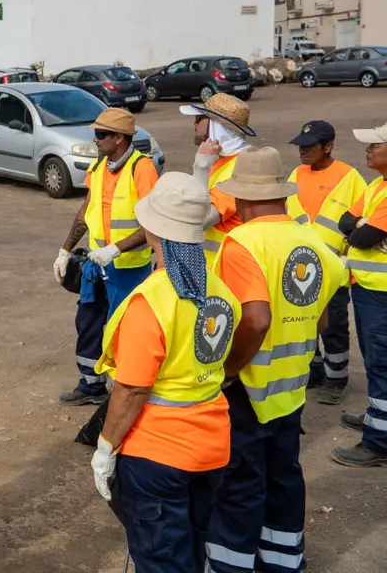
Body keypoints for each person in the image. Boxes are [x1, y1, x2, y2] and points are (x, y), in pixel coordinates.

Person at [90, 172, 241, 573]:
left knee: (161, 560)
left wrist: (106, 447)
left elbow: (133, 389)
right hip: (211, 447)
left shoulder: (152, 299)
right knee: (192, 548)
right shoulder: (220, 290)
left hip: (157, 455)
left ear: (151, 227)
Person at [205, 148, 344, 573]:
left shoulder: (242, 243)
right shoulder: (315, 244)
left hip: (249, 387)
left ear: (243, 200)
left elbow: (257, 319)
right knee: (284, 475)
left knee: (241, 482)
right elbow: (320, 319)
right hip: (292, 384)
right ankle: (285, 561)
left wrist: (229, 369)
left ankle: (232, 565)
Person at [54, 108, 159, 406]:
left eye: (100, 134)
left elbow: (152, 223)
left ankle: (126, 394)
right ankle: (91, 386)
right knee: (87, 323)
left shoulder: (142, 169)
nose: (95, 139)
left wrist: (116, 249)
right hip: (95, 267)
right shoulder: (99, 167)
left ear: (119, 138)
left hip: (128, 269)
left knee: (125, 333)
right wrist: (65, 250)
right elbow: (85, 211)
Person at [286, 120, 367, 404]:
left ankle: (336, 377)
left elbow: (360, 219)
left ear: (328, 146)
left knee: (333, 324)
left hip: (333, 269)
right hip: (300, 268)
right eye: (300, 146)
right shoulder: (297, 173)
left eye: (309, 147)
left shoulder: (349, 176)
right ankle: (314, 369)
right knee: (305, 323)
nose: (302, 151)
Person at [332, 122, 387, 467]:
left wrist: (361, 227)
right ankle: (376, 418)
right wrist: (362, 225)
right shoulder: (378, 186)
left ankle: (378, 442)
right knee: (374, 361)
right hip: (368, 289)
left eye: (374, 145)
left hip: (381, 294)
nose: (367, 150)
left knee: (382, 364)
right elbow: (345, 221)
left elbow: (364, 237)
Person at [179, 93, 256, 268]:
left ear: (216, 126)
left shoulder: (240, 167)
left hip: (227, 270)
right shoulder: (221, 160)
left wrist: (201, 167)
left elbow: (200, 220)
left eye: (199, 118)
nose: (195, 123)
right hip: (213, 267)